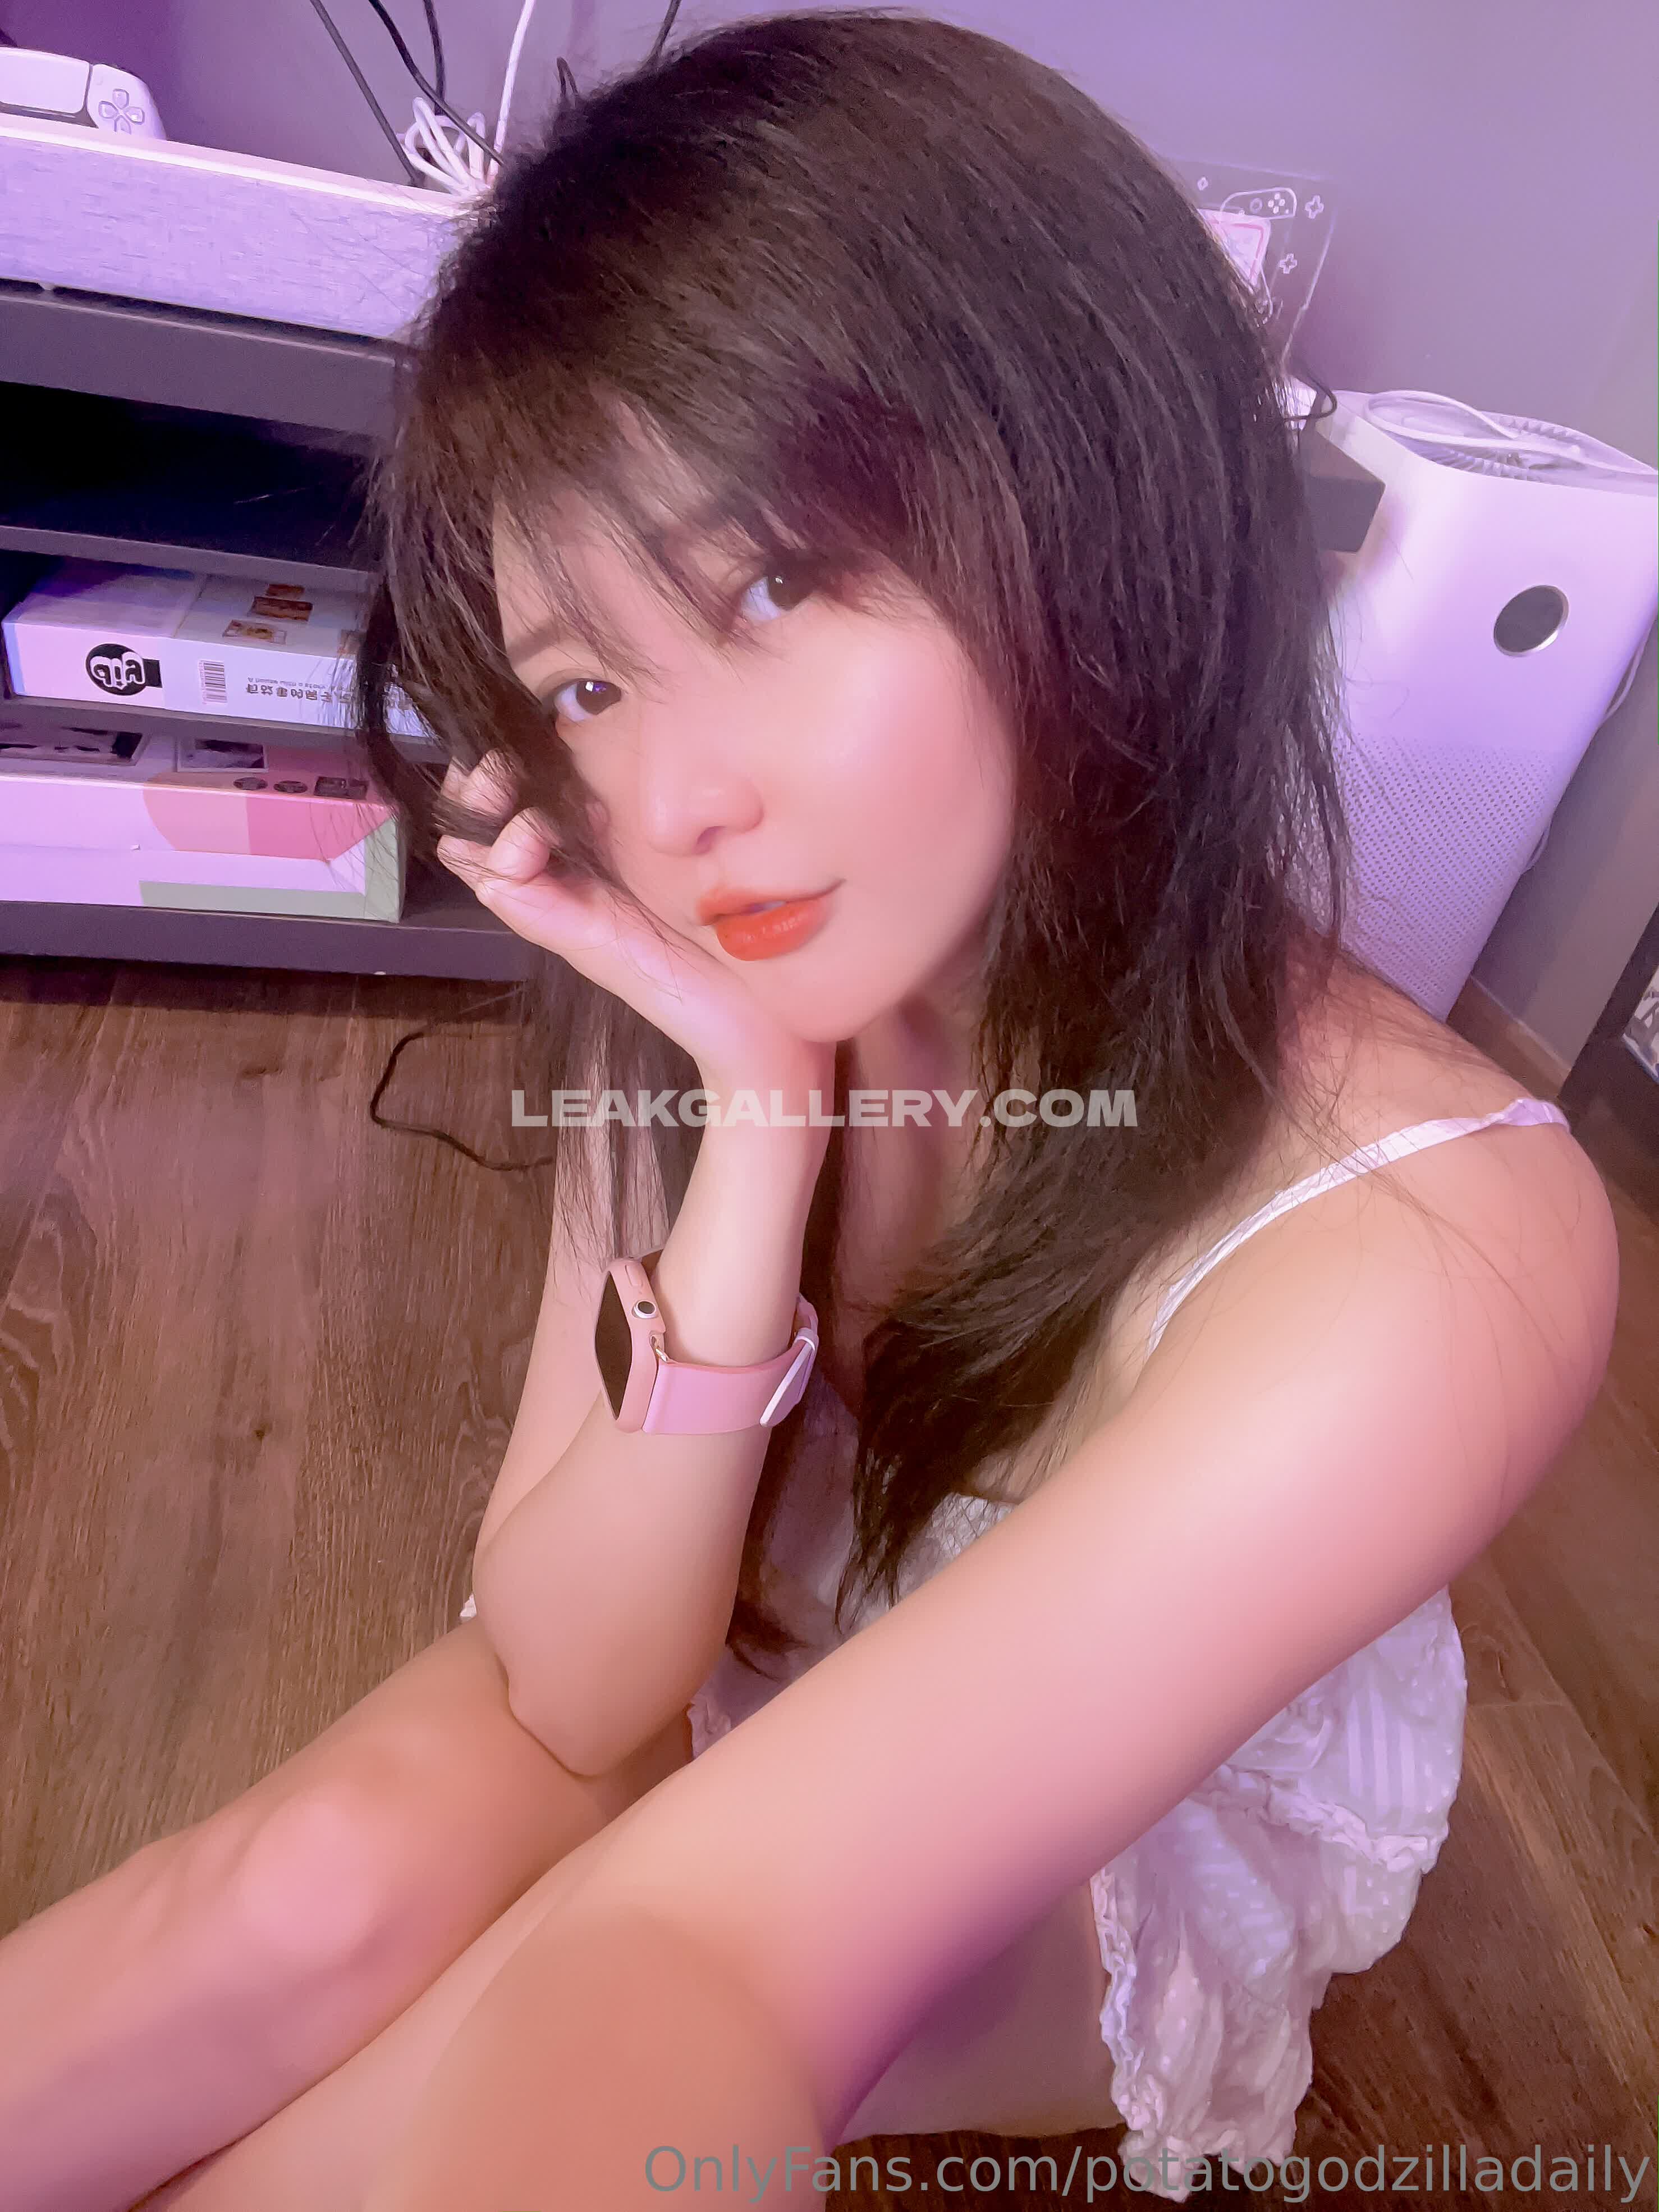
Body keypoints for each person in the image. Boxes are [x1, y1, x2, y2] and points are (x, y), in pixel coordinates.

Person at [0, 11, 1617, 2209]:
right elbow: (576, 1681)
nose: (673, 797)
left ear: (1097, 504)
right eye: (583, 682)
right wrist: (752, 1123)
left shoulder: (1426, 1249)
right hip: (748, 1644)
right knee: (315, 1870)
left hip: (1101, 1830)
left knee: (544, 1995)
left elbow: (697, 1954)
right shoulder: (706, 980)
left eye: (769, 582)